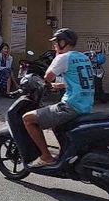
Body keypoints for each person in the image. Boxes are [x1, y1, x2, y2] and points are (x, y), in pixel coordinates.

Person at [22, 27, 95, 168]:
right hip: (86, 105)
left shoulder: (63, 57)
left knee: (28, 118)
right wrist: (61, 85)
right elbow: (80, 80)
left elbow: (47, 77)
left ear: (63, 42)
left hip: (71, 106)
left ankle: (46, 157)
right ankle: (65, 153)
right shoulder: (84, 57)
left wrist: (56, 57)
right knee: (56, 123)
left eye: (56, 42)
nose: (54, 45)